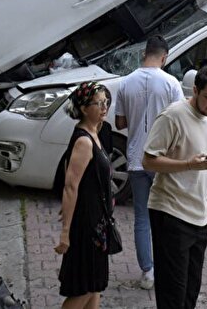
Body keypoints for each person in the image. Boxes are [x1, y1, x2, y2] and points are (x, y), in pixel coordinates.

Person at [142, 66, 207, 309]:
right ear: (195, 90)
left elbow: (204, 167)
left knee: (190, 292)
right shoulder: (172, 116)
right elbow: (148, 160)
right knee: (173, 294)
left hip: (199, 218)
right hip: (170, 213)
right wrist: (187, 164)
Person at [114, 36, 184, 291]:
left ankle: (148, 271)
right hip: (162, 160)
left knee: (141, 217)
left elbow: (120, 123)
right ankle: (168, 267)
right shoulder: (171, 83)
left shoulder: (125, 82)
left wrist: (137, 116)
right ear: (164, 57)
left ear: (144, 53)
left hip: (135, 159)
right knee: (167, 214)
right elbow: (179, 121)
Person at [55, 82, 114, 308]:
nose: (104, 107)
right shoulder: (84, 141)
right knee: (86, 287)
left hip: (97, 221)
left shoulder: (95, 132)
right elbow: (71, 186)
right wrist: (65, 232)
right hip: (87, 224)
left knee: (95, 284)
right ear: (83, 108)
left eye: (105, 102)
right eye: (98, 103)